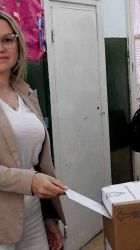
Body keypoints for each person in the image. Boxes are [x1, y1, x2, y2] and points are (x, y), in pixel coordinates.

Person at [0, 11, 67, 250]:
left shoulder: (26, 92)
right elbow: (33, 176)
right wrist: (31, 181)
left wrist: (48, 215)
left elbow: (38, 163)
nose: (2, 47)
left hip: (32, 214)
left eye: (8, 39)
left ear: (18, 44)